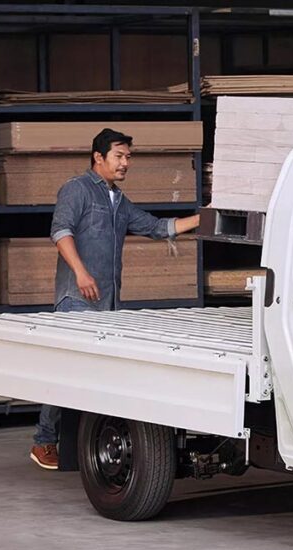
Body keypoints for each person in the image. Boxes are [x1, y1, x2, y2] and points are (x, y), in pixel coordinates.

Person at [30, 128, 200, 470]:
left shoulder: (119, 201)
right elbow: (60, 231)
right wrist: (80, 272)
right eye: (119, 156)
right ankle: (44, 441)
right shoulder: (76, 189)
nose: (126, 163)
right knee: (66, 370)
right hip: (75, 299)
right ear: (98, 157)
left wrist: (205, 217)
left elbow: (157, 228)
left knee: (90, 374)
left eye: (128, 157)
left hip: (107, 304)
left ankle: (80, 445)